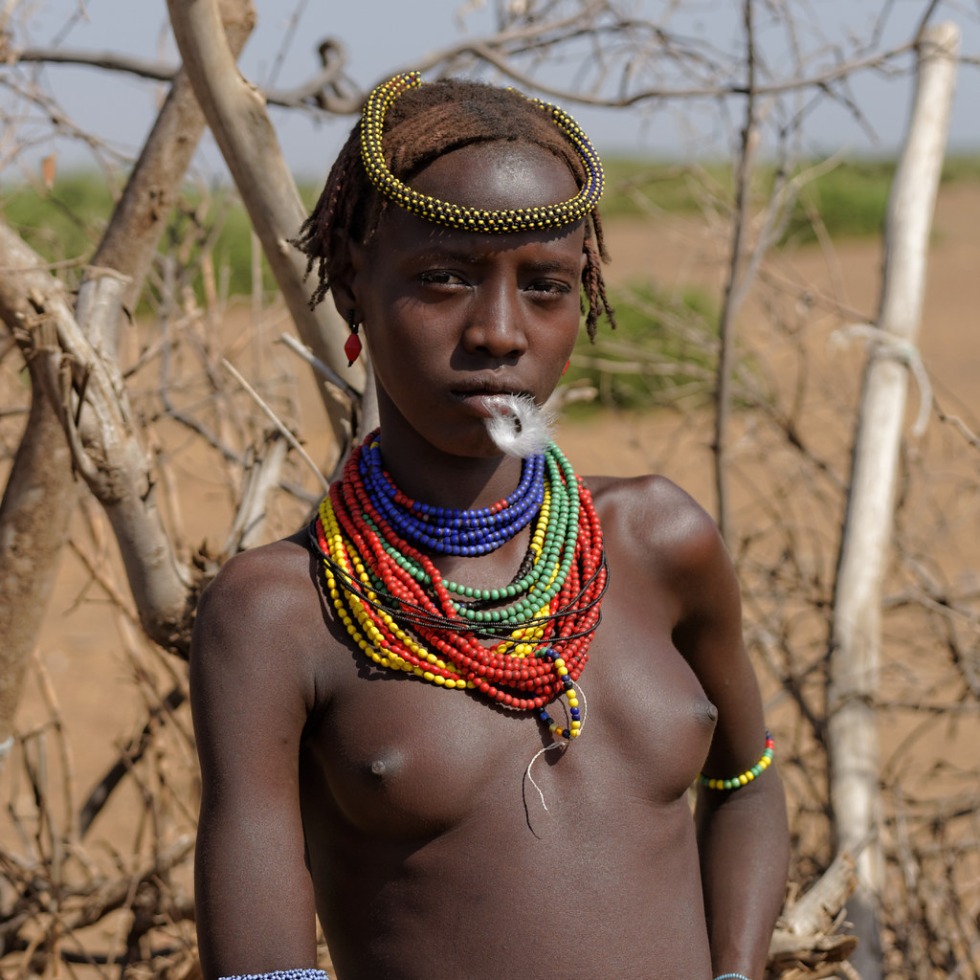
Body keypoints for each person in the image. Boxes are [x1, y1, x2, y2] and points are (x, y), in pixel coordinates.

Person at [189, 71, 789, 980]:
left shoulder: (662, 541)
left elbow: (746, 782)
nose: (500, 332)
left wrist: (738, 972)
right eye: (443, 279)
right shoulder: (279, 614)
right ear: (353, 285)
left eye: (546, 287)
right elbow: (264, 968)